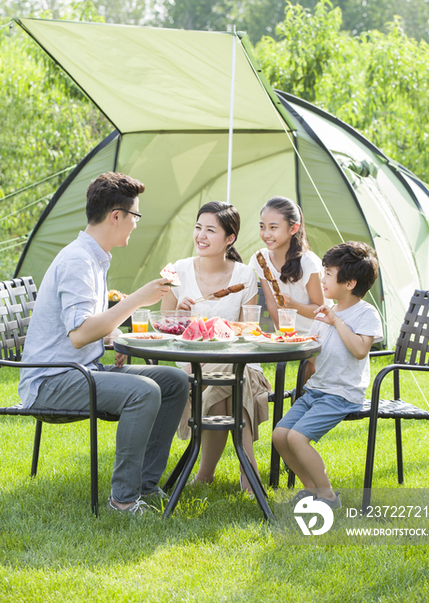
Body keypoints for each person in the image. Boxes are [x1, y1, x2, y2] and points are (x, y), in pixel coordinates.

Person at [19, 172, 190, 514]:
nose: (136, 225)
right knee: (143, 391)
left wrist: (113, 340)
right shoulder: (78, 261)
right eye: (135, 216)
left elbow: (87, 332)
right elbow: (80, 333)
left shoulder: (94, 258)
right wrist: (138, 299)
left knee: (174, 381)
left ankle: (144, 483)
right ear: (117, 216)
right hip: (51, 381)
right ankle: (123, 500)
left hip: (80, 368)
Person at [161, 201, 271, 494]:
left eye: (211, 230)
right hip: (192, 362)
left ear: (230, 238)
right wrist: (180, 317)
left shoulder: (245, 276)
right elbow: (165, 326)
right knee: (234, 380)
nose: (201, 235)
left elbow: (249, 329)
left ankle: (204, 474)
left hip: (239, 359)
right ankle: (249, 474)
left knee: (235, 374)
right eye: (198, 227)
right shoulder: (178, 271)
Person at [272, 241, 383, 508]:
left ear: (350, 283)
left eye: (329, 274)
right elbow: (315, 349)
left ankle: (329, 496)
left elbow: (359, 350)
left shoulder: (366, 314)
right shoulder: (329, 311)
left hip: (341, 394)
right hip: (316, 390)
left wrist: (336, 321)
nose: (322, 279)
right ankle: (311, 489)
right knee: (280, 435)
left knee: (298, 439)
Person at [249, 196, 324, 378]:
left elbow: (320, 311)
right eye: (262, 226)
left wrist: (294, 306)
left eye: (273, 227)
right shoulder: (261, 259)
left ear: (293, 228)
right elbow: (271, 303)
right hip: (288, 332)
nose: (266, 234)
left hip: (317, 332)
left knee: (310, 367)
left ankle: (304, 400)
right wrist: (284, 334)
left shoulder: (308, 263)